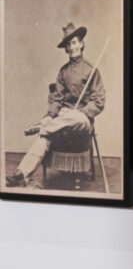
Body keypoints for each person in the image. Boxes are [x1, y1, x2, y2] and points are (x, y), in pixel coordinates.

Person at [6, 23, 105, 188]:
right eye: (68, 44)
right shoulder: (63, 71)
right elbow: (57, 99)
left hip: (83, 119)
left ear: (81, 43)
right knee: (47, 132)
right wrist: (48, 116)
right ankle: (21, 173)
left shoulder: (92, 70)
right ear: (66, 48)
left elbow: (99, 100)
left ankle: (43, 127)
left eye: (74, 42)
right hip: (63, 117)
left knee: (70, 121)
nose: (71, 47)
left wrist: (83, 112)